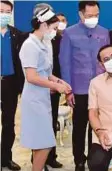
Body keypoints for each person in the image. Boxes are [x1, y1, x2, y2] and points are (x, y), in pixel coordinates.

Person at [59, 1, 110, 171]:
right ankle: (79, 160)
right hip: (79, 89)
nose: (93, 18)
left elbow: (107, 59)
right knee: (80, 128)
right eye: (89, 16)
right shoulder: (69, 33)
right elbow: (65, 62)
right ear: (81, 15)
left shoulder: (104, 32)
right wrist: (68, 90)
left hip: (100, 88)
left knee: (96, 127)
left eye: (96, 15)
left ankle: (95, 160)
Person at [19, 7, 71, 171]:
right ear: (44, 25)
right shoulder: (30, 45)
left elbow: (47, 73)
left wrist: (60, 81)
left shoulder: (42, 43)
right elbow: (32, 76)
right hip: (34, 99)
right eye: (54, 28)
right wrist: (56, 86)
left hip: (42, 98)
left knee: (39, 141)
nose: (56, 32)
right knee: (46, 142)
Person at [0, 0, 24, 170]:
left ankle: (5, 159)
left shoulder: (16, 34)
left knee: (8, 123)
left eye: (7, 12)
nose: (4, 14)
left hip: (10, 84)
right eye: (1, 11)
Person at [45, 12, 68, 169]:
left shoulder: (64, 40)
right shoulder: (42, 40)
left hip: (56, 87)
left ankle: (51, 157)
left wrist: (59, 84)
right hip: (42, 86)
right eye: (57, 21)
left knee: (52, 122)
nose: (60, 24)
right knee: (42, 124)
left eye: (63, 21)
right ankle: (39, 160)